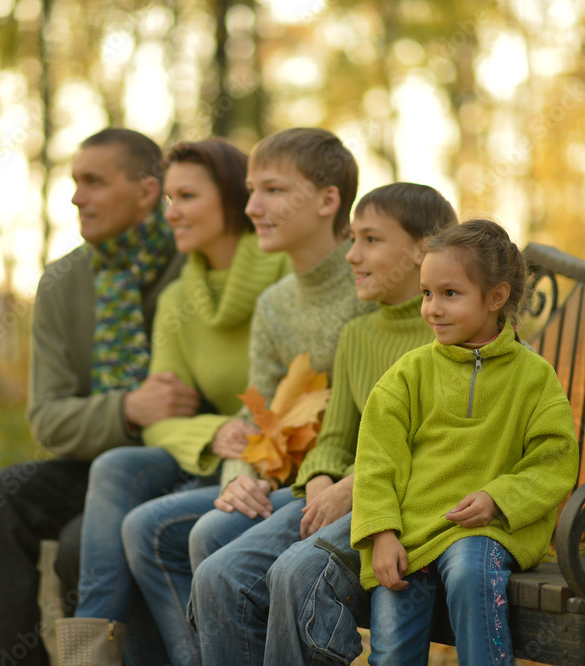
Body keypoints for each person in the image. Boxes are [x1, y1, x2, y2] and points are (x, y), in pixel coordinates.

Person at [120, 127, 374, 665]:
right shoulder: (276, 302)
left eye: (273, 191)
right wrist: (242, 478)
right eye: (252, 190)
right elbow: (260, 409)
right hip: (287, 477)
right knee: (151, 525)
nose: (253, 205)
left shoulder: (373, 283)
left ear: (328, 200)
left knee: (211, 535)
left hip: (350, 484)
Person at [188, 182, 458, 665]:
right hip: (335, 494)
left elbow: (440, 450)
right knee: (218, 575)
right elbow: (333, 438)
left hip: (398, 503)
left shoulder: (450, 335)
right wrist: (318, 483)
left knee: (295, 573)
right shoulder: (356, 335)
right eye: (352, 239)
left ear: (424, 249)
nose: (352, 255)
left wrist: (350, 488)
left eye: (371, 240)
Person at [0, 128, 197, 666]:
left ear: (146, 191)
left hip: (182, 464)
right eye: (74, 182)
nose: (75, 197)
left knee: (77, 545)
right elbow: (48, 419)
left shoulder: (193, 261)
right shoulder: (63, 281)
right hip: (95, 465)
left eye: (93, 182)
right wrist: (127, 409)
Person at [56, 137, 289, 665]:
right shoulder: (180, 296)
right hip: (215, 455)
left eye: (186, 196)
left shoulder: (281, 273)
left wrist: (235, 428)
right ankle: (88, 657)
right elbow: (158, 416)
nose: (172, 212)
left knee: (143, 526)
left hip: (274, 461)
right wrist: (213, 432)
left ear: (232, 202)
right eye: (169, 199)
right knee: (117, 464)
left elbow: (285, 389)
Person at [351, 219, 580, 664]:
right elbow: (377, 459)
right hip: (412, 536)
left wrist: (499, 497)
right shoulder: (408, 374)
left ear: (495, 297)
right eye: (426, 293)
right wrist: (382, 534)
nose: (433, 308)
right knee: (394, 642)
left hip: (487, 529)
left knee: (470, 572)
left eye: (450, 294)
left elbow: (555, 460)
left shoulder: (534, 377)